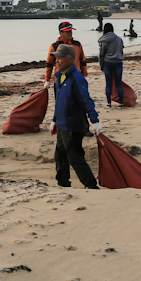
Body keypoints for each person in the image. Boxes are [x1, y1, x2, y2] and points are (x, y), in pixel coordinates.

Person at [50, 44, 102, 189]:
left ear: (70, 59)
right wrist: (54, 120)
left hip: (73, 125)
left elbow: (86, 100)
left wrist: (95, 121)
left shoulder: (77, 78)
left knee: (75, 157)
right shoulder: (60, 77)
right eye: (56, 58)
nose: (57, 61)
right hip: (62, 124)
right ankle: (62, 183)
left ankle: (91, 185)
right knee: (60, 155)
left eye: (60, 58)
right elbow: (59, 100)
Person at [97, 22, 125, 106]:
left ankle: (109, 103)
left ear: (104, 30)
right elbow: (121, 51)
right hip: (118, 62)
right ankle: (121, 103)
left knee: (108, 84)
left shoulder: (105, 40)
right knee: (118, 83)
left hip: (108, 63)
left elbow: (102, 54)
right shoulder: (119, 39)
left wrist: (101, 65)